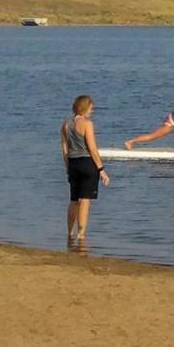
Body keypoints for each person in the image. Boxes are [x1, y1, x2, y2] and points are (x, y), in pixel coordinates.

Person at [62, 95, 110, 241]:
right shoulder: (87, 123)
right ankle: (81, 234)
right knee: (85, 200)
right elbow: (93, 148)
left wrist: (68, 167)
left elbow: (65, 149)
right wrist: (102, 170)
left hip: (73, 163)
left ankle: (70, 233)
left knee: (74, 199)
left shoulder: (65, 124)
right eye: (91, 107)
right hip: (87, 163)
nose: (92, 110)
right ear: (85, 107)